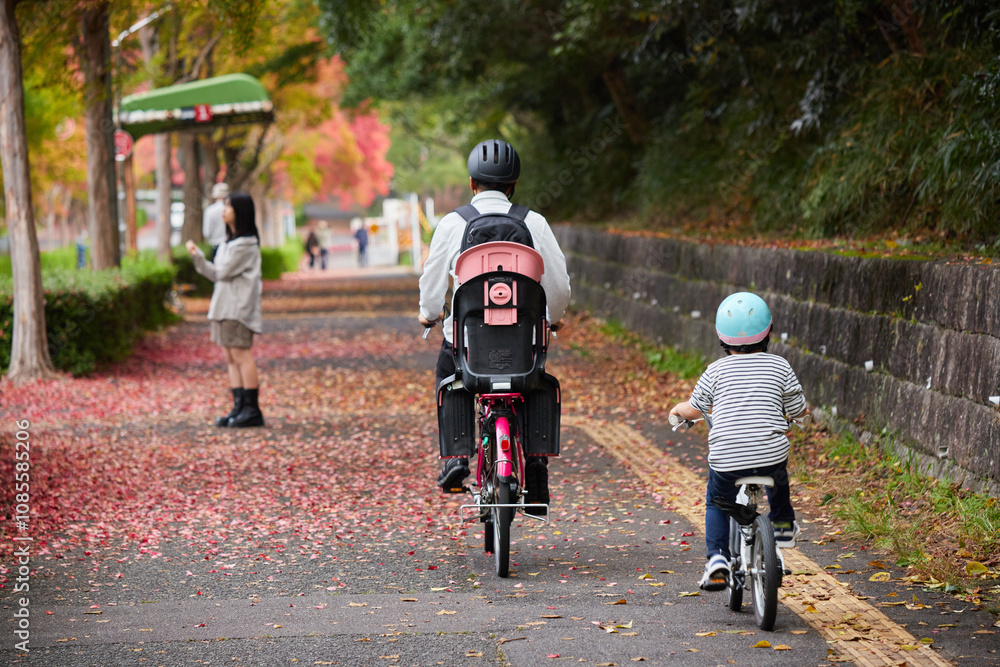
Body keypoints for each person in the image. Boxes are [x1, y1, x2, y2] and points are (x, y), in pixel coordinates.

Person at [418, 139, 571, 508]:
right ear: (513, 185)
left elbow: (433, 281)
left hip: (468, 345)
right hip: (523, 342)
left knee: (448, 373)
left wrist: (429, 313)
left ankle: (456, 458)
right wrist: (554, 319)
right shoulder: (533, 222)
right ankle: (535, 466)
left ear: (472, 183)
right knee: (534, 383)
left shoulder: (453, 223)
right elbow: (558, 285)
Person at [668, 292, 807, 591]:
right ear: (768, 332)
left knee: (717, 501)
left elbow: (695, 408)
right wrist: (794, 415)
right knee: (778, 478)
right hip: (770, 454)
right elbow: (797, 408)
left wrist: (678, 410)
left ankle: (717, 559)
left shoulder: (715, 371)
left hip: (728, 458)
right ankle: (782, 527)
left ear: (721, 336)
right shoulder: (781, 366)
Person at [186, 191, 265, 428]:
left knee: (241, 355)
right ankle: (239, 407)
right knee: (231, 357)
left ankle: (252, 410)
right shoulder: (227, 242)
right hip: (223, 306)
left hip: (237, 309)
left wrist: (200, 257)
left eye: (228, 207)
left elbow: (221, 273)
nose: (223, 210)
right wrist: (197, 257)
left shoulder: (246, 245)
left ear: (239, 212)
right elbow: (214, 274)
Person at [202, 182, 230, 261]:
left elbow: (206, 233)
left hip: (215, 247)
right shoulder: (231, 209)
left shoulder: (209, 211)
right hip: (230, 248)